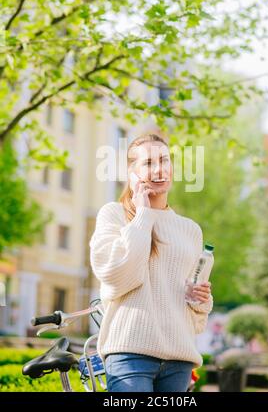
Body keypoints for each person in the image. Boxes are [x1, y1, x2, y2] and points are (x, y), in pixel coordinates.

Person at [89, 132, 213, 392]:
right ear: (132, 172)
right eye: (147, 163)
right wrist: (143, 215)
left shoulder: (190, 230)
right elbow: (118, 276)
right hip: (130, 353)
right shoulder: (114, 215)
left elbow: (192, 307)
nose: (159, 169)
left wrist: (199, 297)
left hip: (179, 359)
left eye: (164, 160)